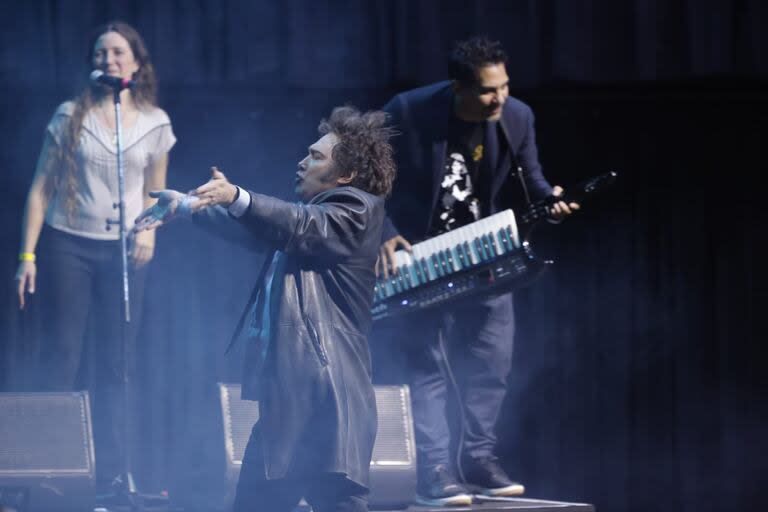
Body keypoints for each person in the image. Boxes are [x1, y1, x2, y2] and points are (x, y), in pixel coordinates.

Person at [134, 106, 396, 512]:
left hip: (326, 403)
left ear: (344, 175)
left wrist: (237, 196)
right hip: (291, 402)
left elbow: (300, 225)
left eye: (316, 156)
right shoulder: (307, 224)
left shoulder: (357, 208)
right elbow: (266, 230)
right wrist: (187, 206)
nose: (302, 161)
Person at [377, 37, 579, 506]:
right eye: (489, 90)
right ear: (458, 87)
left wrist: (551, 203)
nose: (500, 98)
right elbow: (367, 180)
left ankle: (478, 458)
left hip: (483, 254)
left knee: (490, 361)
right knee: (426, 365)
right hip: (421, 257)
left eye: (505, 86)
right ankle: (435, 471)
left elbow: (533, 179)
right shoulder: (406, 112)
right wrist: (384, 230)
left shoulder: (516, 117)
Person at [14, 21, 175, 489]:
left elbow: (156, 193)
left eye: (119, 53)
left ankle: (113, 473)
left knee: (118, 362)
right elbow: (41, 188)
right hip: (69, 243)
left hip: (125, 250)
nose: (109, 60)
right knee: (64, 354)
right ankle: (51, 470)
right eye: (102, 53)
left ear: (137, 63)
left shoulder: (154, 122)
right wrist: (28, 255)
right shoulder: (70, 116)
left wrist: (150, 231)